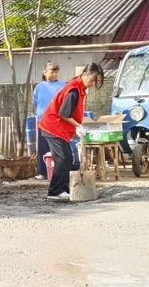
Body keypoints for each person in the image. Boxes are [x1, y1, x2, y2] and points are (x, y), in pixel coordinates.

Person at [39, 63, 104, 201]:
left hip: (59, 128)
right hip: (53, 126)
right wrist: (78, 126)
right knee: (62, 159)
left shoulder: (79, 88)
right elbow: (64, 113)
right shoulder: (74, 89)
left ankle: (64, 189)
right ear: (84, 75)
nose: (93, 83)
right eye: (92, 79)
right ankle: (54, 191)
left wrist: (78, 125)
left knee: (67, 159)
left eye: (95, 81)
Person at [32, 62, 64, 180]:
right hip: (42, 121)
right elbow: (35, 102)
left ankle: (58, 171)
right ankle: (43, 171)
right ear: (45, 73)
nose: (54, 74)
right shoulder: (39, 87)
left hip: (58, 120)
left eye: (56, 72)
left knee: (58, 147)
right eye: (52, 72)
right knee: (42, 146)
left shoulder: (62, 85)